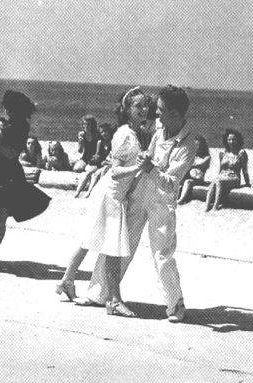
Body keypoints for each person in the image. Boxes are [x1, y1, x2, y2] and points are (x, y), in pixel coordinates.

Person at [74, 85, 198, 323]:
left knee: (162, 253)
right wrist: (142, 160)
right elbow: (146, 150)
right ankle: (98, 293)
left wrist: (150, 168)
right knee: (120, 243)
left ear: (175, 113)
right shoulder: (161, 127)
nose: (156, 114)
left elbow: (172, 184)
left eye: (160, 110)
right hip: (139, 192)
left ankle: (176, 304)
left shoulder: (188, 143)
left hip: (162, 202)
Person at [55, 87, 146, 318]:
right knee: (112, 248)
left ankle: (66, 280)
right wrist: (140, 168)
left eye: (146, 106)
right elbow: (115, 171)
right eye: (138, 106)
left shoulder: (131, 132)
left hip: (113, 193)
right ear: (126, 110)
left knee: (90, 238)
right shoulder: (124, 134)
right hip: (111, 194)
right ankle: (114, 301)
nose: (144, 110)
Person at [0, 91, 51, 272]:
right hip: (8, 172)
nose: (4, 109)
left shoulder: (17, 126)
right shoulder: (19, 125)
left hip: (4, 172)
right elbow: (3, 147)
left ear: (11, 108)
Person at [204, 129, 249, 212]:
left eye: (234, 139)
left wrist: (247, 184)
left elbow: (245, 170)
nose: (231, 142)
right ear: (226, 140)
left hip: (234, 178)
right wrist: (217, 177)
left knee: (218, 181)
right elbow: (220, 169)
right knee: (214, 182)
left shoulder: (241, 153)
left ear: (238, 140)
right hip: (222, 176)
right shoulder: (223, 153)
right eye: (229, 139)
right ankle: (207, 207)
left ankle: (215, 206)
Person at [74, 122, 113, 197]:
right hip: (101, 163)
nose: (104, 134)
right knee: (88, 173)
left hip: (108, 164)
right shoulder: (100, 142)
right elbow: (97, 154)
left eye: (105, 131)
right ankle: (77, 192)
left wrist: (105, 162)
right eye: (102, 132)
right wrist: (95, 158)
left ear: (109, 131)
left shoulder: (113, 143)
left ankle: (89, 192)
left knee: (96, 174)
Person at [177, 135, 211, 204]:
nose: (197, 147)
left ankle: (181, 200)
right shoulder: (193, 155)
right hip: (188, 175)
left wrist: (189, 164)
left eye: (199, 145)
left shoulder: (207, 157)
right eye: (195, 145)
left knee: (188, 182)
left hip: (198, 179)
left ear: (203, 146)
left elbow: (200, 164)